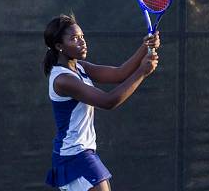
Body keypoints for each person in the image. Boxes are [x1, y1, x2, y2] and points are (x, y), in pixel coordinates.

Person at [43, 14, 160, 191]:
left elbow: (119, 74)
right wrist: (142, 72)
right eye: (74, 38)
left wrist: (145, 47)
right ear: (59, 46)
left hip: (81, 153)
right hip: (73, 156)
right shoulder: (63, 79)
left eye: (82, 36)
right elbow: (108, 101)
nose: (82, 42)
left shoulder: (79, 67)